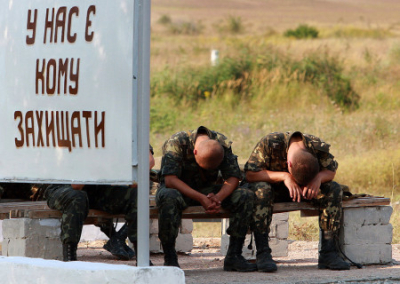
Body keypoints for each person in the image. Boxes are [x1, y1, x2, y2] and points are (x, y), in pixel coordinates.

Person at [243, 131, 350, 272]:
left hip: (306, 188)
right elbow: (250, 174)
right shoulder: (271, 143)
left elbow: (330, 171)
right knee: (262, 190)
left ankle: (328, 253)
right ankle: (263, 254)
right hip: (274, 189)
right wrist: (285, 176)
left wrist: (317, 179)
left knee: (333, 189)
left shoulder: (316, 146)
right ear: (289, 164)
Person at [156, 126, 256, 271]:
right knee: (168, 196)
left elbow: (233, 177)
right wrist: (201, 198)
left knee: (245, 195)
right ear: (194, 152)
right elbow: (171, 180)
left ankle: (234, 255)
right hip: (179, 189)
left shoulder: (222, 144)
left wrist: (219, 197)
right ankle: (170, 258)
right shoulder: (176, 143)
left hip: (209, 191)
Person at [44, 146, 155, 262]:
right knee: (78, 197)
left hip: (97, 188)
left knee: (137, 195)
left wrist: (133, 175)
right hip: (63, 186)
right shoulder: (88, 136)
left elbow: (149, 159)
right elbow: (76, 185)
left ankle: (141, 257)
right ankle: (70, 258)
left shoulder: (124, 132)